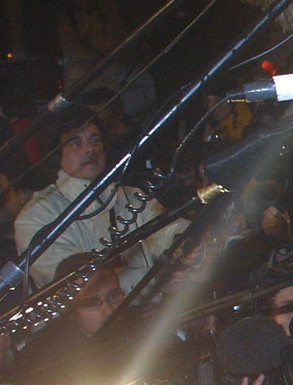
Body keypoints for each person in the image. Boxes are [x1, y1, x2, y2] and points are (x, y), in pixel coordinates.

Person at [13, 109, 180, 290]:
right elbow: (79, 286)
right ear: (56, 153)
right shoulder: (36, 215)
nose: (90, 149)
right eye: (76, 143)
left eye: (95, 140)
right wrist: (161, 277)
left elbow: (168, 231)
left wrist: (185, 245)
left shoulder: (131, 196)